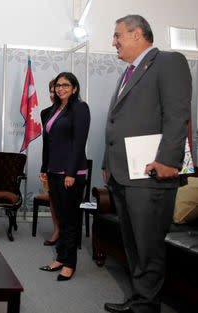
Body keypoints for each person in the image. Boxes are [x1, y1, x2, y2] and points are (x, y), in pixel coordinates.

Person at [102, 15, 191, 313]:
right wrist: (107, 162)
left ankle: (146, 306)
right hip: (125, 174)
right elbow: (116, 122)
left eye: (117, 35)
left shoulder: (169, 62)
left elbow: (177, 115)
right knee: (134, 244)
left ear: (138, 34)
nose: (113, 41)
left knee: (149, 245)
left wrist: (169, 159)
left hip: (152, 173)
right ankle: (141, 298)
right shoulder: (129, 72)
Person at [38, 72, 90, 281]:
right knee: (60, 218)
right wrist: (44, 167)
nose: (61, 89)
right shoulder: (52, 110)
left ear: (75, 88)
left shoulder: (79, 108)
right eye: (58, 85)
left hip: (71, 173)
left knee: (70, 220)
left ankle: (70, 264)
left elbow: (79, 142)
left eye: (66, 85)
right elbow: (47, 143)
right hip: (53, 171)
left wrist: (70, 173)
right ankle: (60, 258)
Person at [39, 78, 59, 246]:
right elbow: (46, 143)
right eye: (51, 91)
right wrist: (43, 167)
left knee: (65, 202)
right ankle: (57, 230)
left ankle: (67, 233)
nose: (53, 95)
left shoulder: (74, 110)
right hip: (51, 164)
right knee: (53, 199)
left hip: (67, 165)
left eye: (56, 91)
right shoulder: (45, 113)